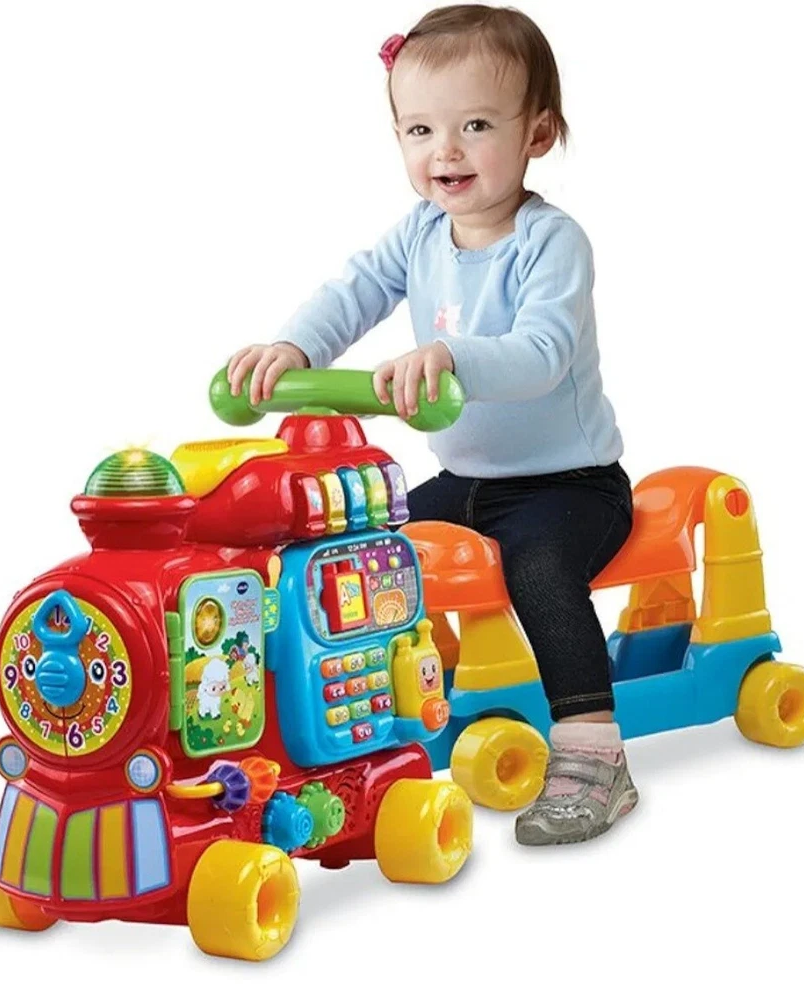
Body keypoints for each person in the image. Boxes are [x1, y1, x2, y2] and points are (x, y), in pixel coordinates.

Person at [227, 4, 637, 845]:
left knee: (539, 568)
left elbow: (542, 353)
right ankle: (364, 706)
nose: (444, 150)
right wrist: (293, 347)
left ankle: (593, 751)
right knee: (366, 549)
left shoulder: (551, 243)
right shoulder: (419, 232)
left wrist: (451, 357)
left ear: (537, 133)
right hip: (467, 481)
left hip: (570, 486)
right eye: (420, 129)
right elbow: (354, 291)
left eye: (475, 125)